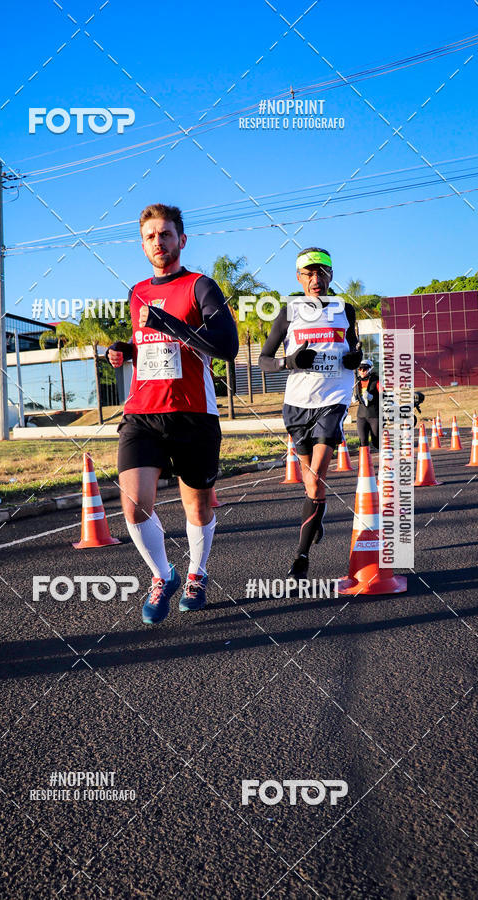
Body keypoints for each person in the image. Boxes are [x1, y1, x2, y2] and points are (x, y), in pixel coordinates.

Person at [107, 203, 239, 625]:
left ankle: (197, 574)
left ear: (181, 239)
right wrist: (124, 351)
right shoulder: (137, 292)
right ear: (142, 244)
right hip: (142, 414)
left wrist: (166, 322)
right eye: (150, 236)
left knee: (196, 510)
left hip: (193, 415)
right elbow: (148, 344)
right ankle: (163, 575)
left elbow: (227, 346)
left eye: (166, 234)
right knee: (134, 505)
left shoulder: (201, 286)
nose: (158, 242)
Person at [258, 247, 362, 580]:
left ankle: (300, 558)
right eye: (308, 274)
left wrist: (354, 360)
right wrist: (288, 362)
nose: (316, 280)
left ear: (331, 275)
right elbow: (263, 359)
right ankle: (317, 512)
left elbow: (355, 349)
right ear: (298, 277)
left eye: (322, 273)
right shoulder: (289, 312)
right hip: (297, 402)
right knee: (309, 483)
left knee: (316, 479)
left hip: (333, 399)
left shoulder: (345, 309)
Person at [354, 359, 380, 449]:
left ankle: (386, 460)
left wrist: (372, 397)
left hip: (374, 415)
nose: (361, 371)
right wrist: (356, 398)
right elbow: (359, 395)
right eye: (359, 369)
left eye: (364, 369)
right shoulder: (358, 381)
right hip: (361, 415)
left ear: (369, 369)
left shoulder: (376, 381)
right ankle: (365, 463)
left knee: (376, 441)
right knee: (363, 441)